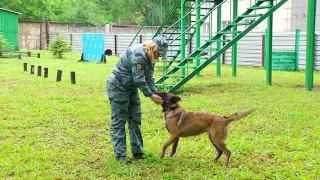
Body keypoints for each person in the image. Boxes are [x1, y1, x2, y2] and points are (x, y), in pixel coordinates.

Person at [106, 36, 168, 163]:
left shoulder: (149, 57)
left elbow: (149, 77)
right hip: (117, 86)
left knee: (135, 118)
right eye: (158, 54)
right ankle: (120, 156)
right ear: (153, 48)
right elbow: (139, 79)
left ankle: (138, 152)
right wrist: (150, 96)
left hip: (131, 87)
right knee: (119, 120)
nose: (158, 57)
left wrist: (155, 93)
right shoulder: (139, 54)